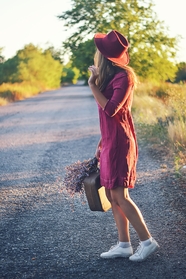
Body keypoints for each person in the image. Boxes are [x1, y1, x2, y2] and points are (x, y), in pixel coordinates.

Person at [88, 30, 159, 262]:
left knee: (120, 195)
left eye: (99, 50)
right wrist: (102, 141)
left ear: (105, 55)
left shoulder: (124, 77)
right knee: (111, 193)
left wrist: (92, 85)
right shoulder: (110, 77)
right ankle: (124, 244)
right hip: (110, 141)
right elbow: (110, 118)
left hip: (121, 143)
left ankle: (147, 242)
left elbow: (111, 110)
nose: (95, 53)